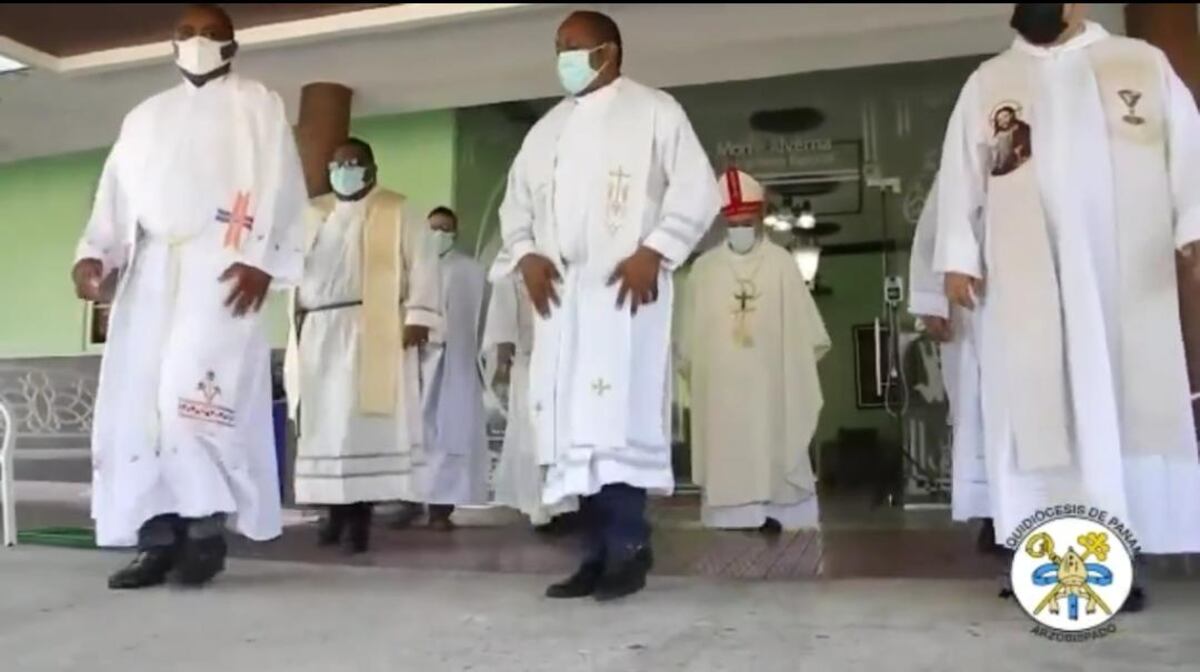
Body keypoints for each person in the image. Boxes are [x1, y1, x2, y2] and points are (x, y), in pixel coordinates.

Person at [934, 3, 1200, 611]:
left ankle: (1119, 564)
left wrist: (1192, 222)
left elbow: (1188, 148)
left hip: (1118, 280)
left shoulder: (1138, 63)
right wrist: (957, 256)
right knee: (1037, 422)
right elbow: (962, 176)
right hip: (1023, 279)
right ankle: (1048, 567)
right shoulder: (989, 82)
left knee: (1112, 418)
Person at [70, 4, 306, 589]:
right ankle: (155, 540)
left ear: (233, 44)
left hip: (220, 268)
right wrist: (93, 255)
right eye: (187, 33)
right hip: (152, 271)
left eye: (211, 33)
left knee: (192, 398)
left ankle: (204, 531)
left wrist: (263, 262)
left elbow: (282, 184)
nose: (198, 41)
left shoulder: (258, 104)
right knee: (141, 405)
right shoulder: (144, 116)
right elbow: (114, 197)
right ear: (170, 43)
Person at [491, 10, 720, 601]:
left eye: (574, 45)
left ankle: (629, 547)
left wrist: (657, 250)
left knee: (613, 425)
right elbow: (514, 208)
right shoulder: (545, 130)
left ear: (609, 51)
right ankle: (594, 554)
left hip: (623, 293)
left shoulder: (654, 110)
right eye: (558, 45)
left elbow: (697, 187)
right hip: (563, 305)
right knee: (573, 437)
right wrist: (526, 255)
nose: (562, 55)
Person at [284, 139, 441, 554]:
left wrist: (419, 317)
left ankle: (359, 523)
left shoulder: (397, 211)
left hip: (373, 329)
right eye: (337, 165)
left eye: (353, 164)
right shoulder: (311, 215)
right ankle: (333, 514)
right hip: (319, 330)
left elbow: (423, 264)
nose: (344, 171)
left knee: (360, 429)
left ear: (373, 169)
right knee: (327, 428)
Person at [680, 168, 829, 533]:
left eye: (747, 221)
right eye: (733, 223)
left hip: (771, 386)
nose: (740, 229)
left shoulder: (781, 264)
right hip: (722, 392)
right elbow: (688, 344)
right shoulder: (703, 269)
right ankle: (734, 517)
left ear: (761, 218)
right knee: (728, 445)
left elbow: (806, 336)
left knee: (773, 439)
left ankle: (781, 511)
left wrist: (789, 367)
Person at [907, 177, 997, 553]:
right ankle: (995, 515)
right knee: (984, 412)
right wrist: (930, 300)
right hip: (982, 304)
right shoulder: (972, 150)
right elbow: (935, 228)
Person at [394, 207, 489, 531]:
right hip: (415, 363)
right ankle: (407, 501)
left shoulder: (470, 271)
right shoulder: (412, 268)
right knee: (412, 436)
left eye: (446, 229)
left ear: (456, 232)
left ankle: (440, 509)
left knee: (449, 436)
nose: (439, 235)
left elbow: (478, 319)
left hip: (454, 366)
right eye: (433, 228)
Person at [482, 272, 579, 528]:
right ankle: (541, 507)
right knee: (534, 437)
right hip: (530, 362)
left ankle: (567, 503)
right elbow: (503, 327)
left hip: (567, 363)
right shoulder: (510, 273)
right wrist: (502, 365)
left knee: (566, 436)